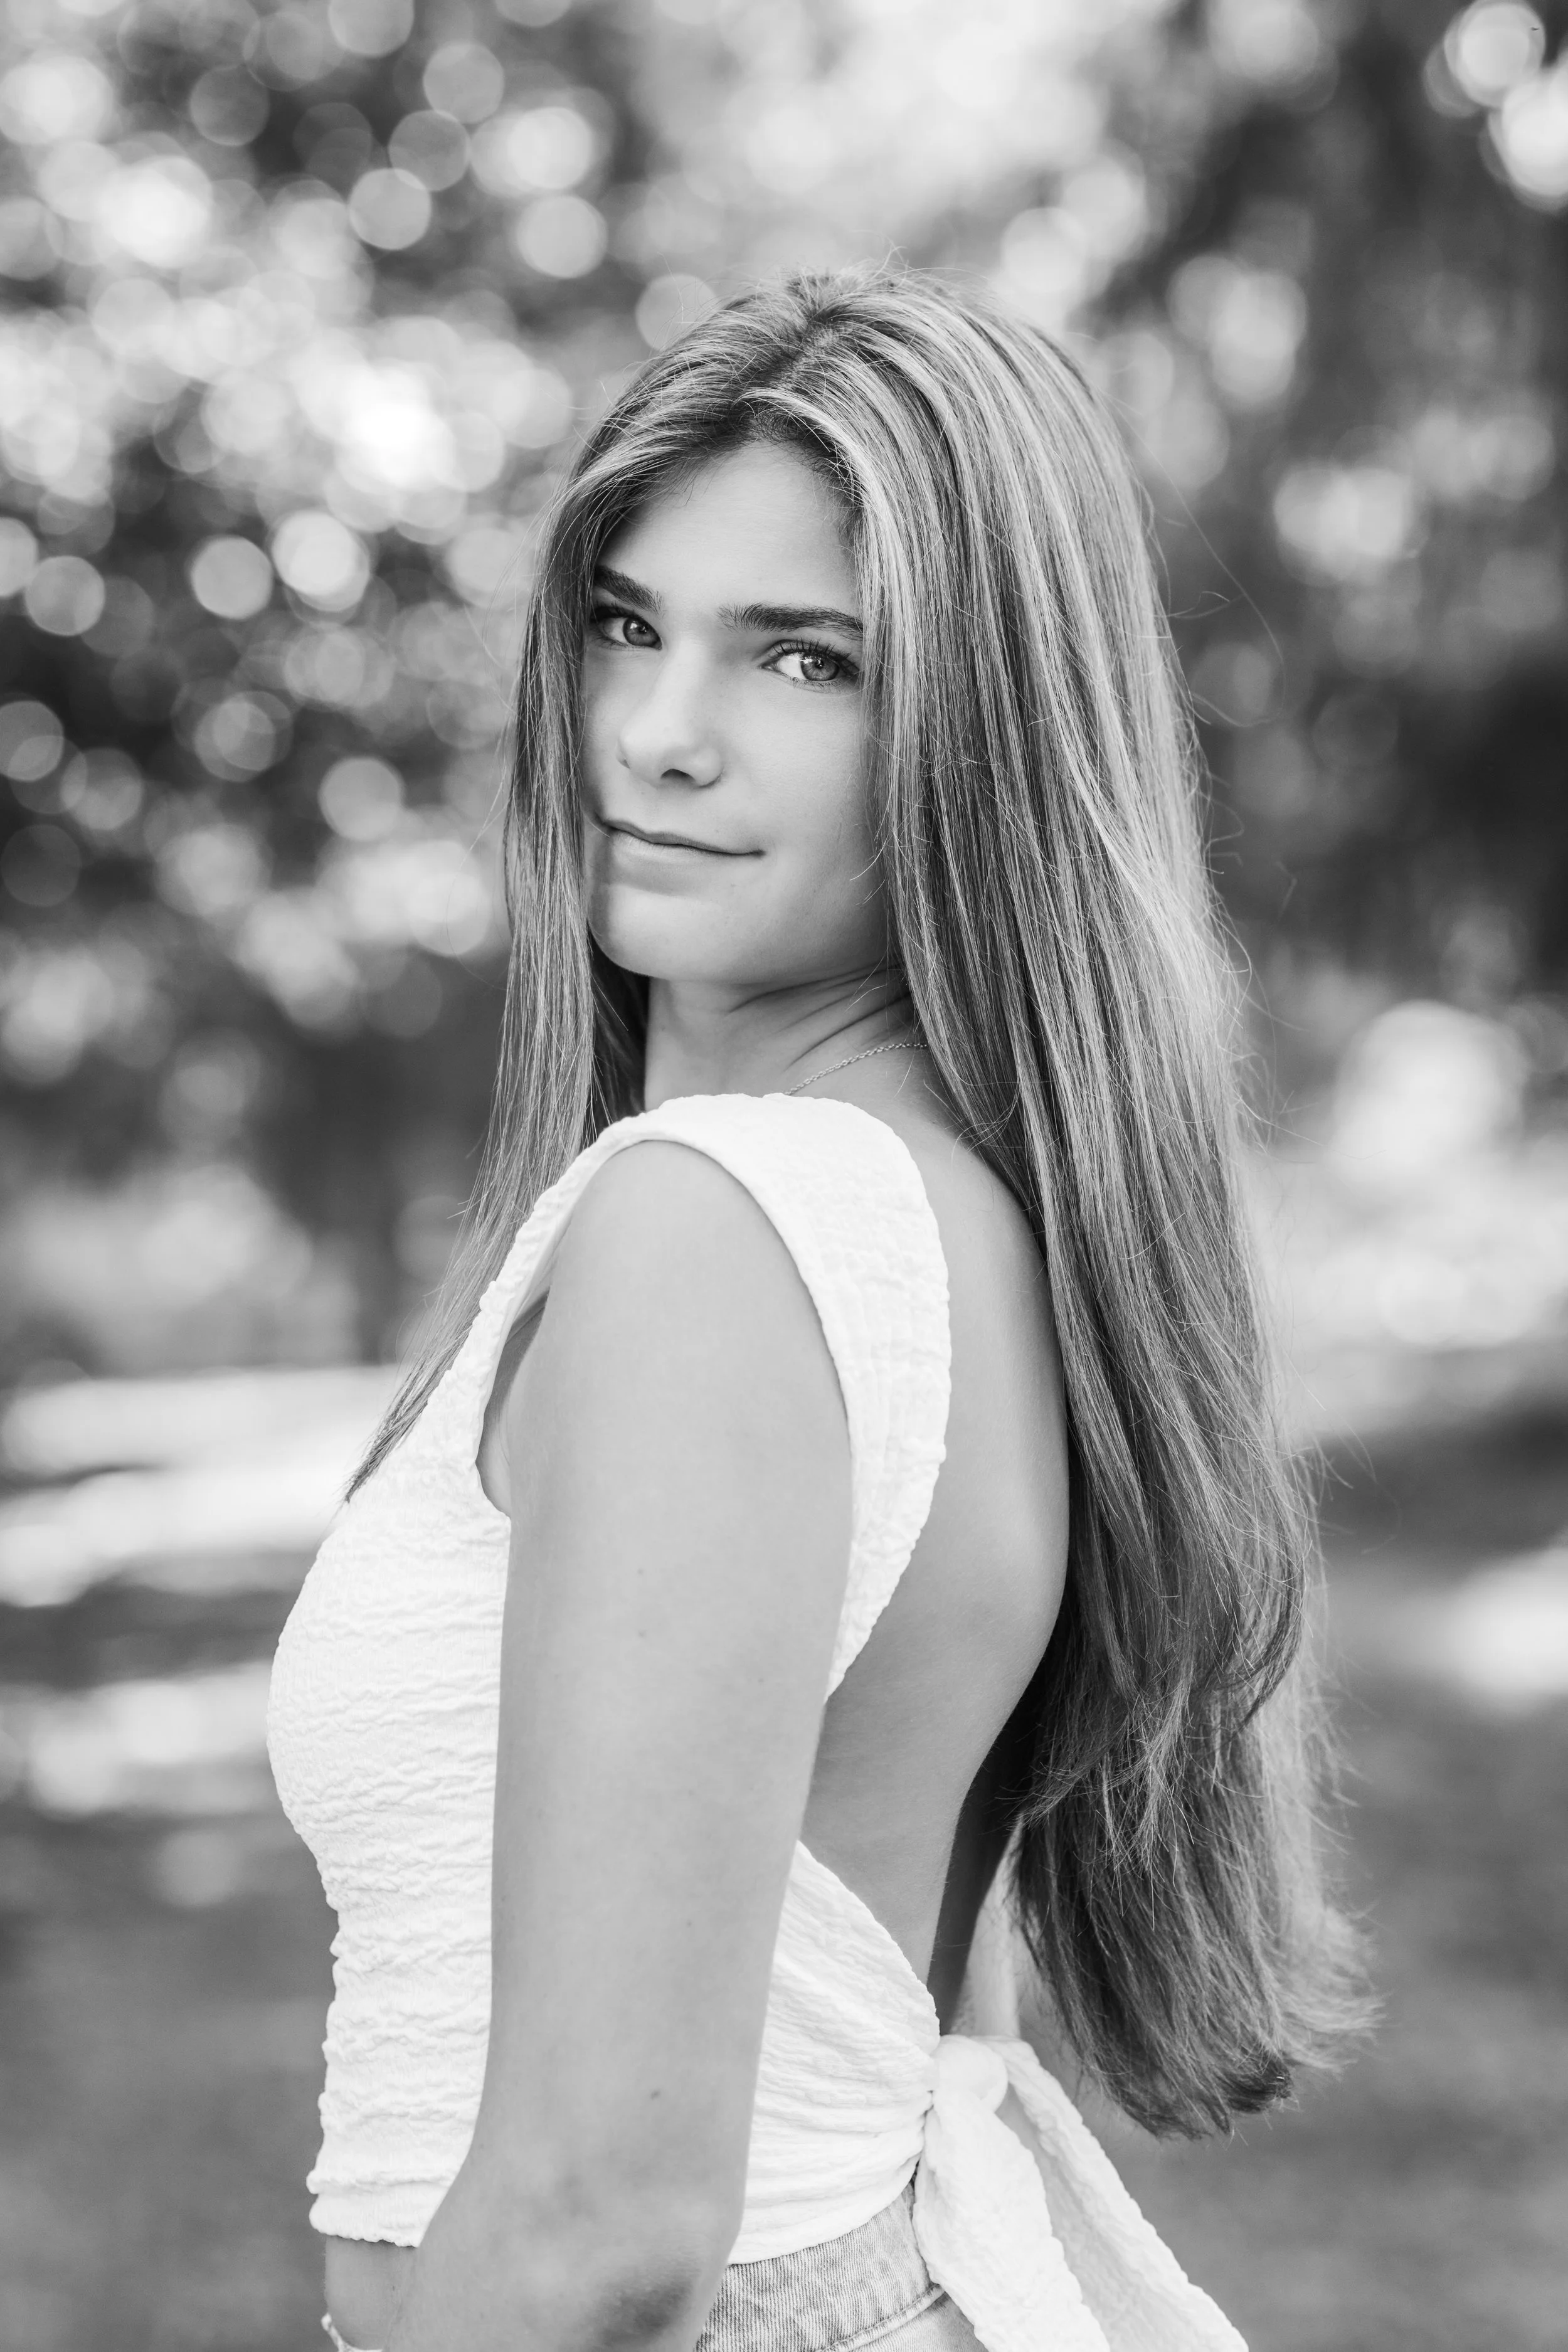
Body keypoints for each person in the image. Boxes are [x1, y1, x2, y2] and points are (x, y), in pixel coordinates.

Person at [268, 268, 1362, 2352]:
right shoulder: (967, 1228)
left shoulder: (720, 1229)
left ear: (982, 736)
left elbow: (602, 2226)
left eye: (803, 657)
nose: (658, 733)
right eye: (621, 623)